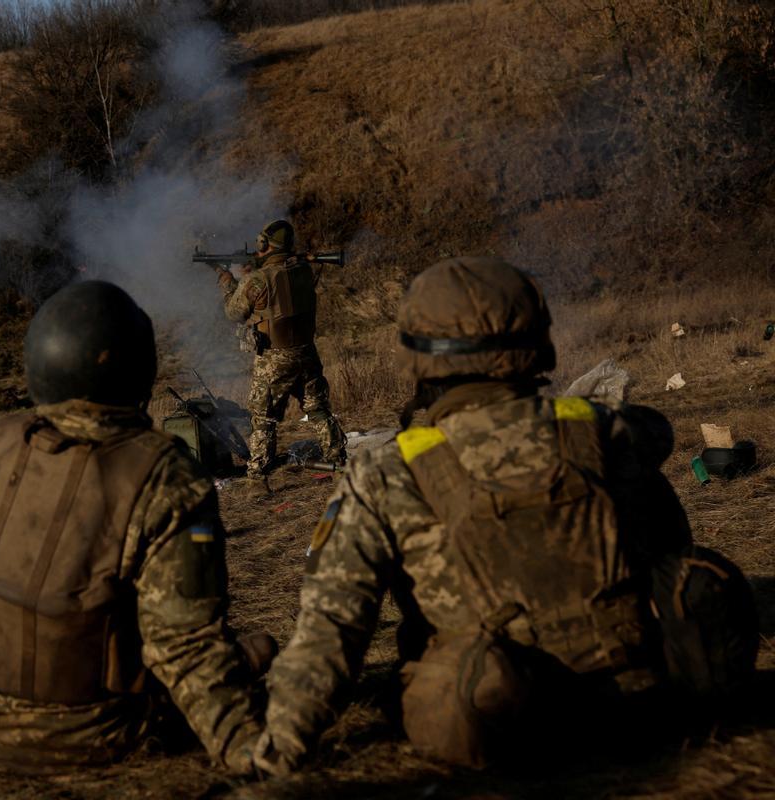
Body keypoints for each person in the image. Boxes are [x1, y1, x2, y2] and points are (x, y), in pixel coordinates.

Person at [254, 257, 758, 773]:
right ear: (536, 341)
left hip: (503, 720)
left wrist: (277, 748)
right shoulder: (602, 430)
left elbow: (330, 633)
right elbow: (670, 542)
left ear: (421, 359)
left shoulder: (389, 471)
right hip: (641, 698)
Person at [0, 280, 274, 774]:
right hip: (92, 731)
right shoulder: (162, 476)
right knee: (261, 651)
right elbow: (185, 648)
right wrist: (250, 749)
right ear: (135, 370)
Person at [217, 220, 346, 484]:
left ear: (265, 245)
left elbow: (234, 312)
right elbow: (281, 282)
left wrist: (229, 283)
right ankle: (337, 459)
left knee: (263, 417)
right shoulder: (303, 270)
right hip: (306, 351)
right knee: (318, 407)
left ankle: (257, 476)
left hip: (275, 357)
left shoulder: (256, 279)